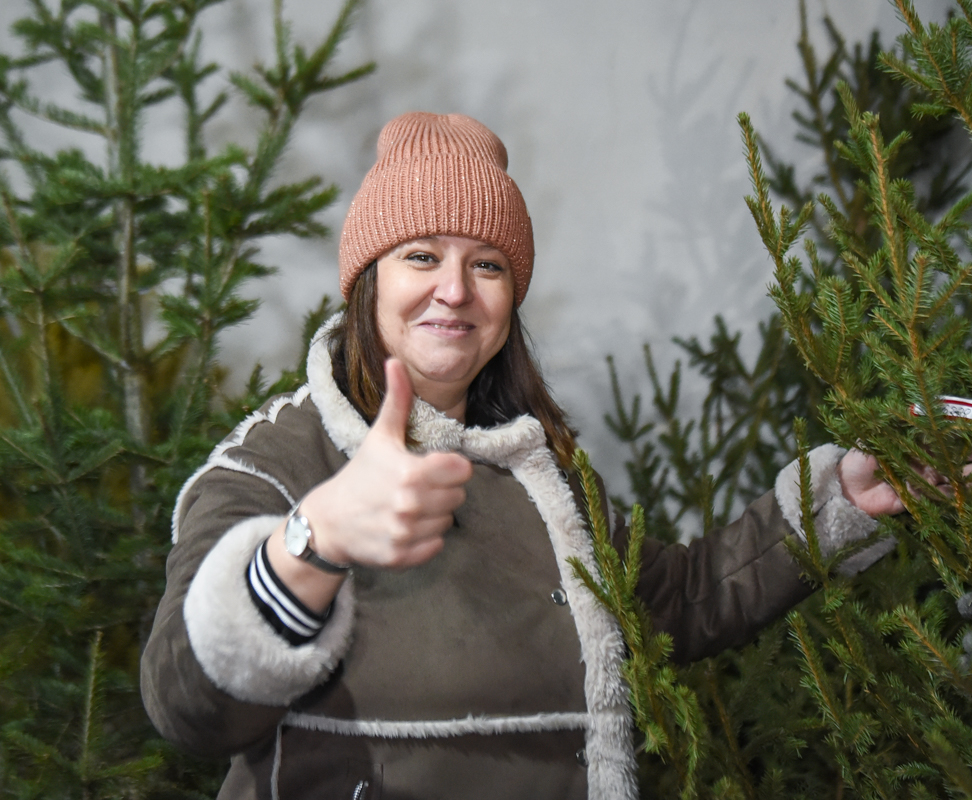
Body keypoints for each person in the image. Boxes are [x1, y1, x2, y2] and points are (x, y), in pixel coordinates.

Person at [140, 112, 917, 800]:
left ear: (510, 302)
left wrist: (835, 503)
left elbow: (667, 604)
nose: (454, 290)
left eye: (487, 264)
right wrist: (313, 541)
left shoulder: (539, 466)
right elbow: (186, 704)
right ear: (366, 281)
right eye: (420, 255)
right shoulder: (274, 459)